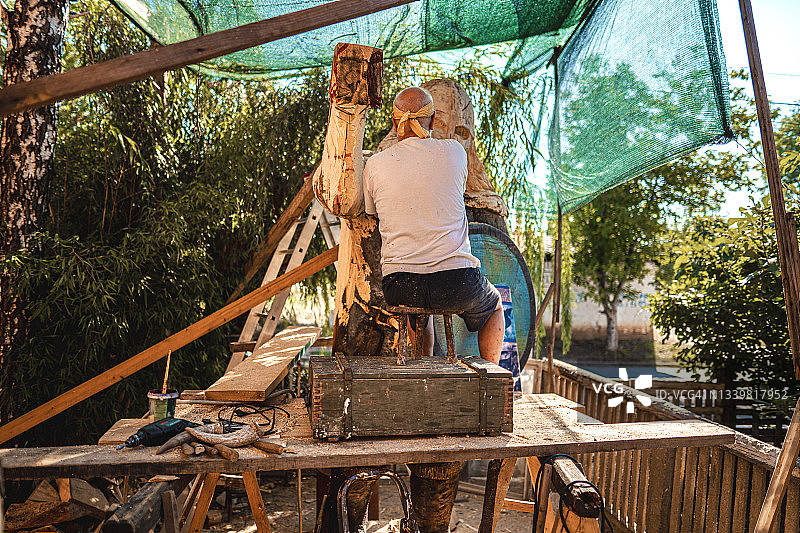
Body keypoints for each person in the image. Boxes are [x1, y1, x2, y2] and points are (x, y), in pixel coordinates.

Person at [363, 86, 505, 363]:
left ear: (394, 122)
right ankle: (493, 376)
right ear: (433, 118)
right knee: (494, 306)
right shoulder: (454, 152)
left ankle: (421, 366)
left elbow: (373, 212)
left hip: (399, 284)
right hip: (456, 282)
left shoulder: (375, 164)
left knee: (418, 310)